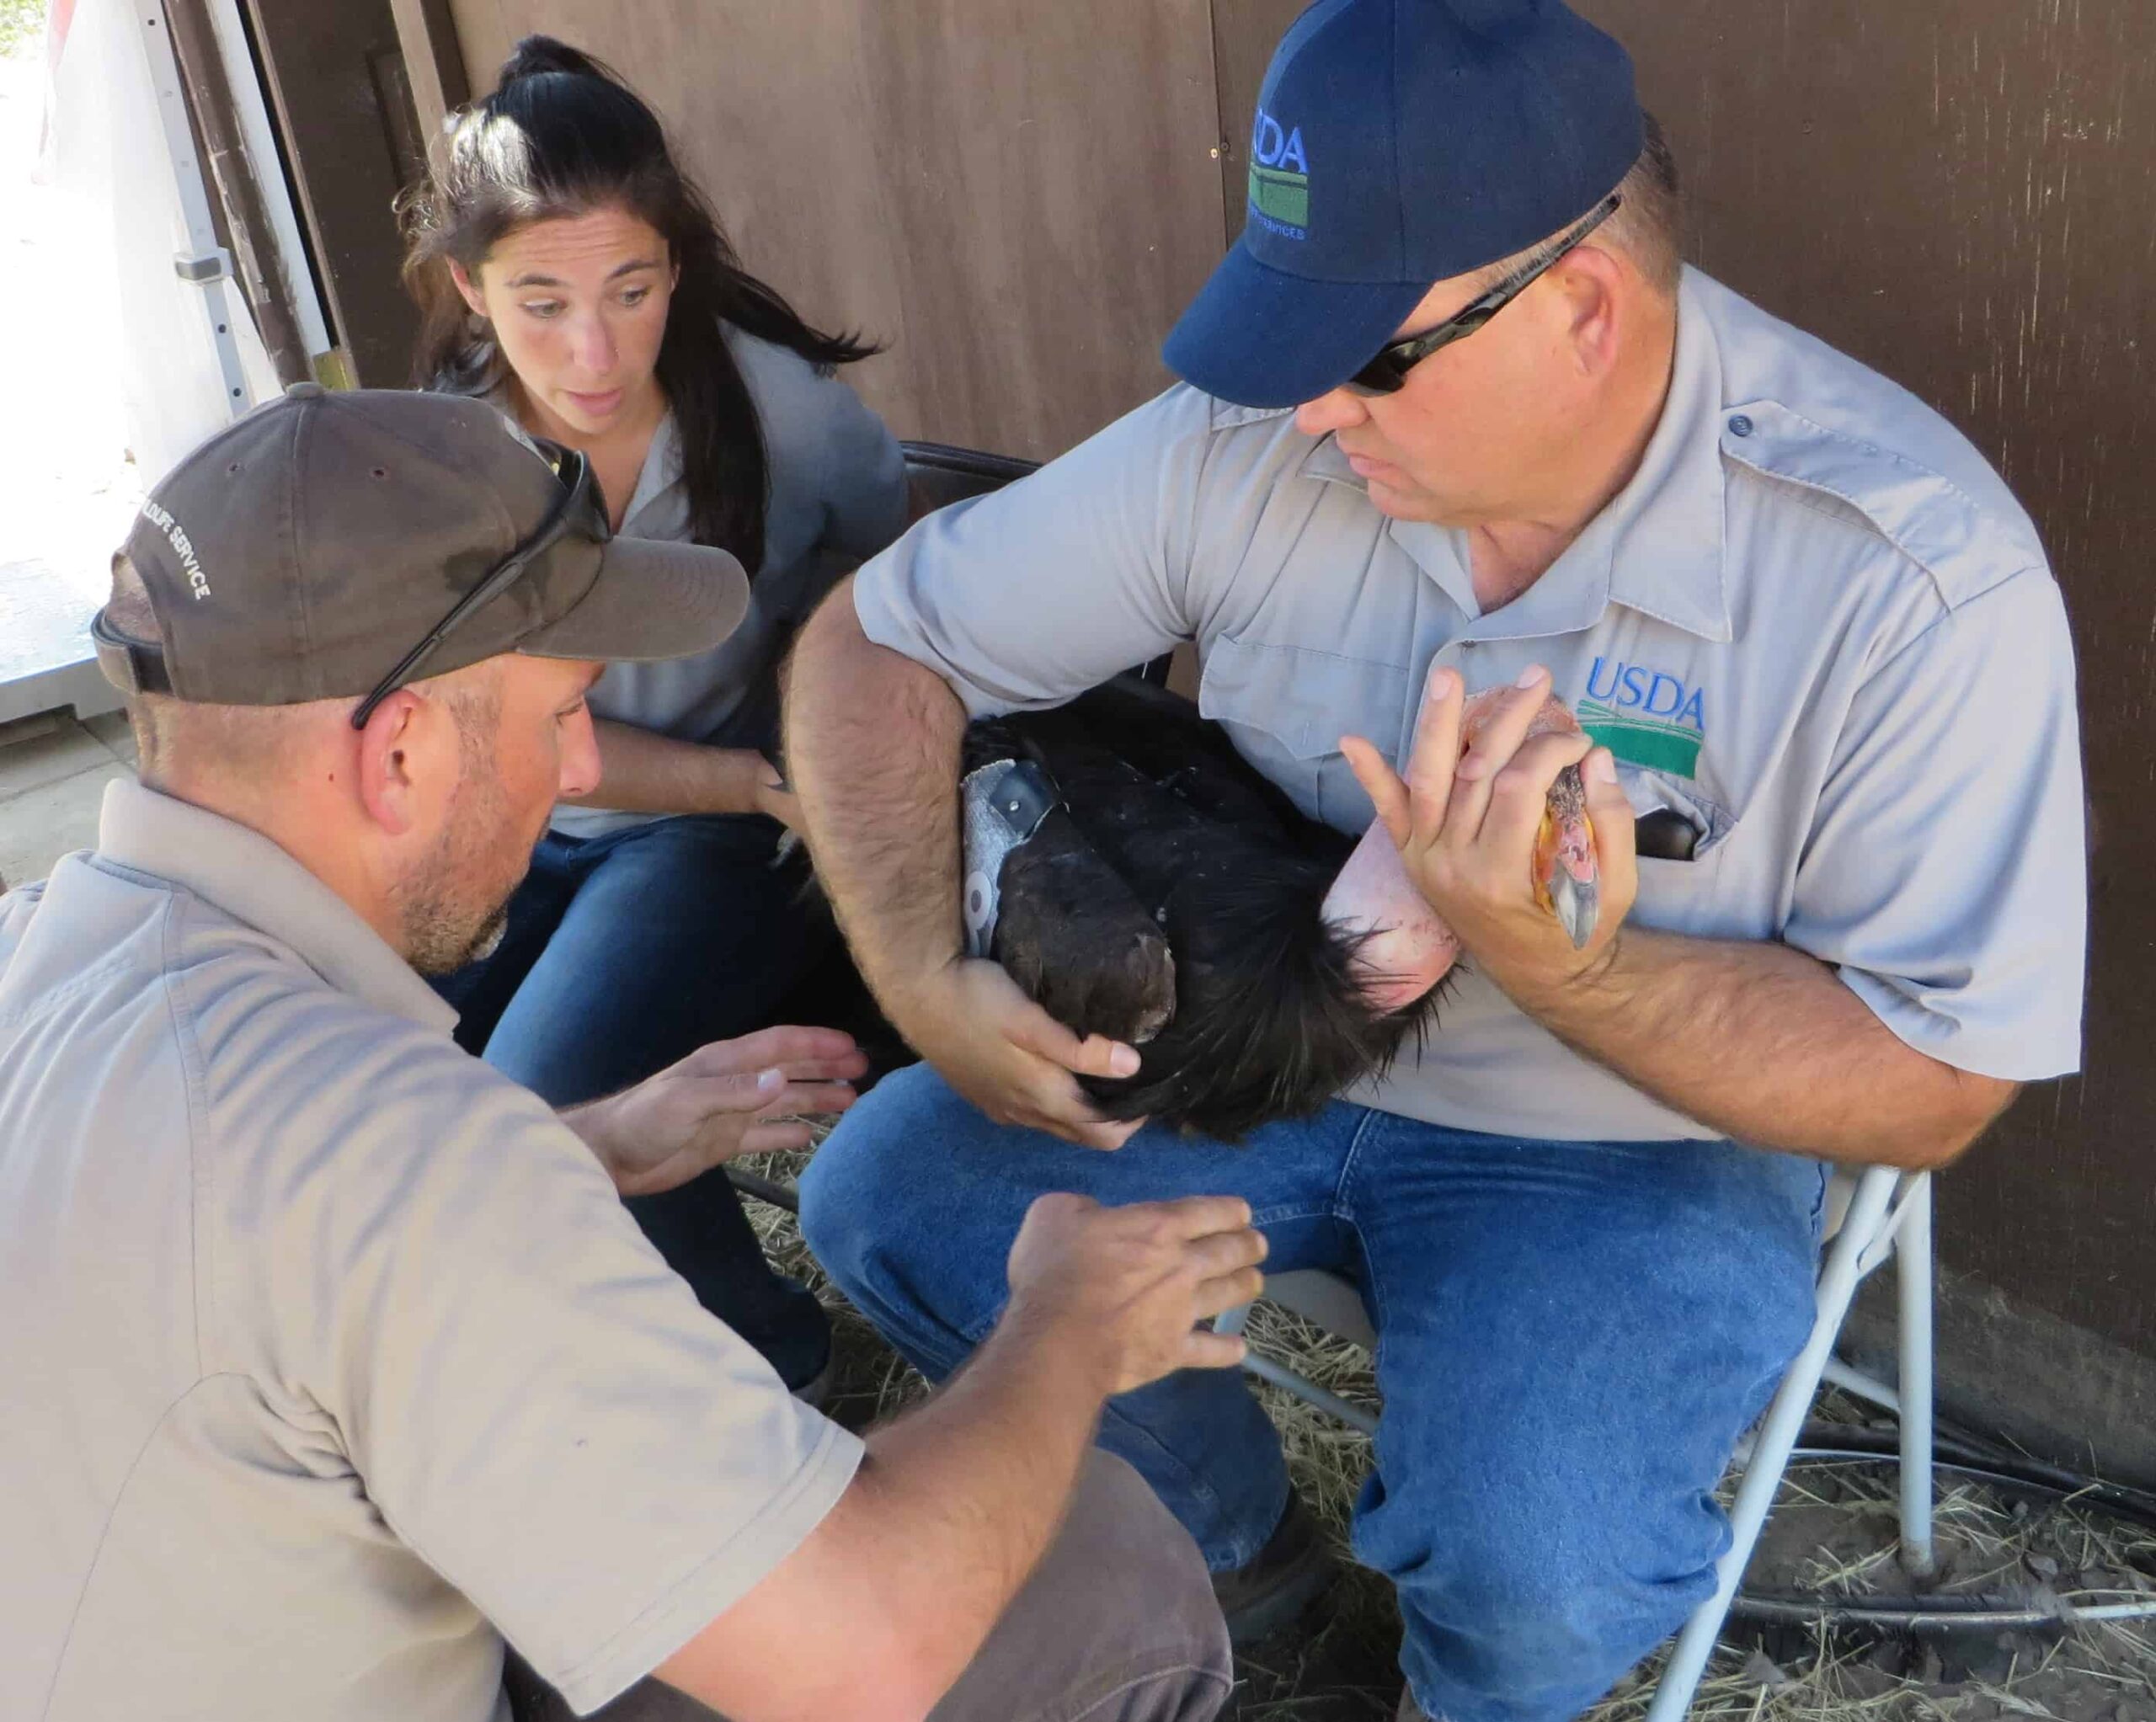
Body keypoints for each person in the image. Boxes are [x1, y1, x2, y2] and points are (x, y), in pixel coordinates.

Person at [781, 2, 2088, 1719]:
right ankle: (1247, 1573)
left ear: (1582, 310)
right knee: (892, 1202)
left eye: (1366, 355)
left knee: (1531, 1564)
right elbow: (871, 654)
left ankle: (1459, 1689)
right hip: (1258, 1050)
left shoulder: (1904, 578)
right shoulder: (1259, 433)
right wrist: (915, 976)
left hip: (1628, 1141)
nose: (1310, 409)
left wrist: (1571, 968)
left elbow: (1928, 1083)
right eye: (1290, 335)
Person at [0, 386, 1258, 1722]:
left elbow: (252, 1270)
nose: (587, 760)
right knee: (1106, 1567)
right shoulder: (400, 1157)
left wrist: (578, 1148)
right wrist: (1066, 1322)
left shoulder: (39, 953)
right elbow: (866, 1659)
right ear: (401, 754)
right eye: (564, 711)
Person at [400, 36, 911, 1396]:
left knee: (538, 1102)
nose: (593, 350)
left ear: (675, 269)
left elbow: (886, 573)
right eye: (540, 300)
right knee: (379, 1077)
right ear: (469, 287)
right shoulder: (446, 449)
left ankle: (774, 1367)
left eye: (631, 291)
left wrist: (794, 758)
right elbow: (507, 741)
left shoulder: (775, 406)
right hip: (518, 818)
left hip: (723, 831)